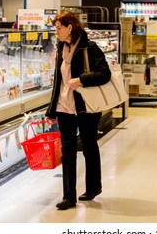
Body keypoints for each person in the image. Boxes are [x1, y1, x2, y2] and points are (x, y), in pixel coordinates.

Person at [45, 11, 111, 210]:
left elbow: (104, 74)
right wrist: (51, 110)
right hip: (64, 107)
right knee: (67, 151)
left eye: (58, 28)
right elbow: (58, 81)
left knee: (89, 146)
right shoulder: (60, 48)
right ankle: (68, 197)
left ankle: (93, 188)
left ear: (69, 28)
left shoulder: (89, 48)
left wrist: (82, 80)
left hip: (85, 108)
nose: (55, 32)